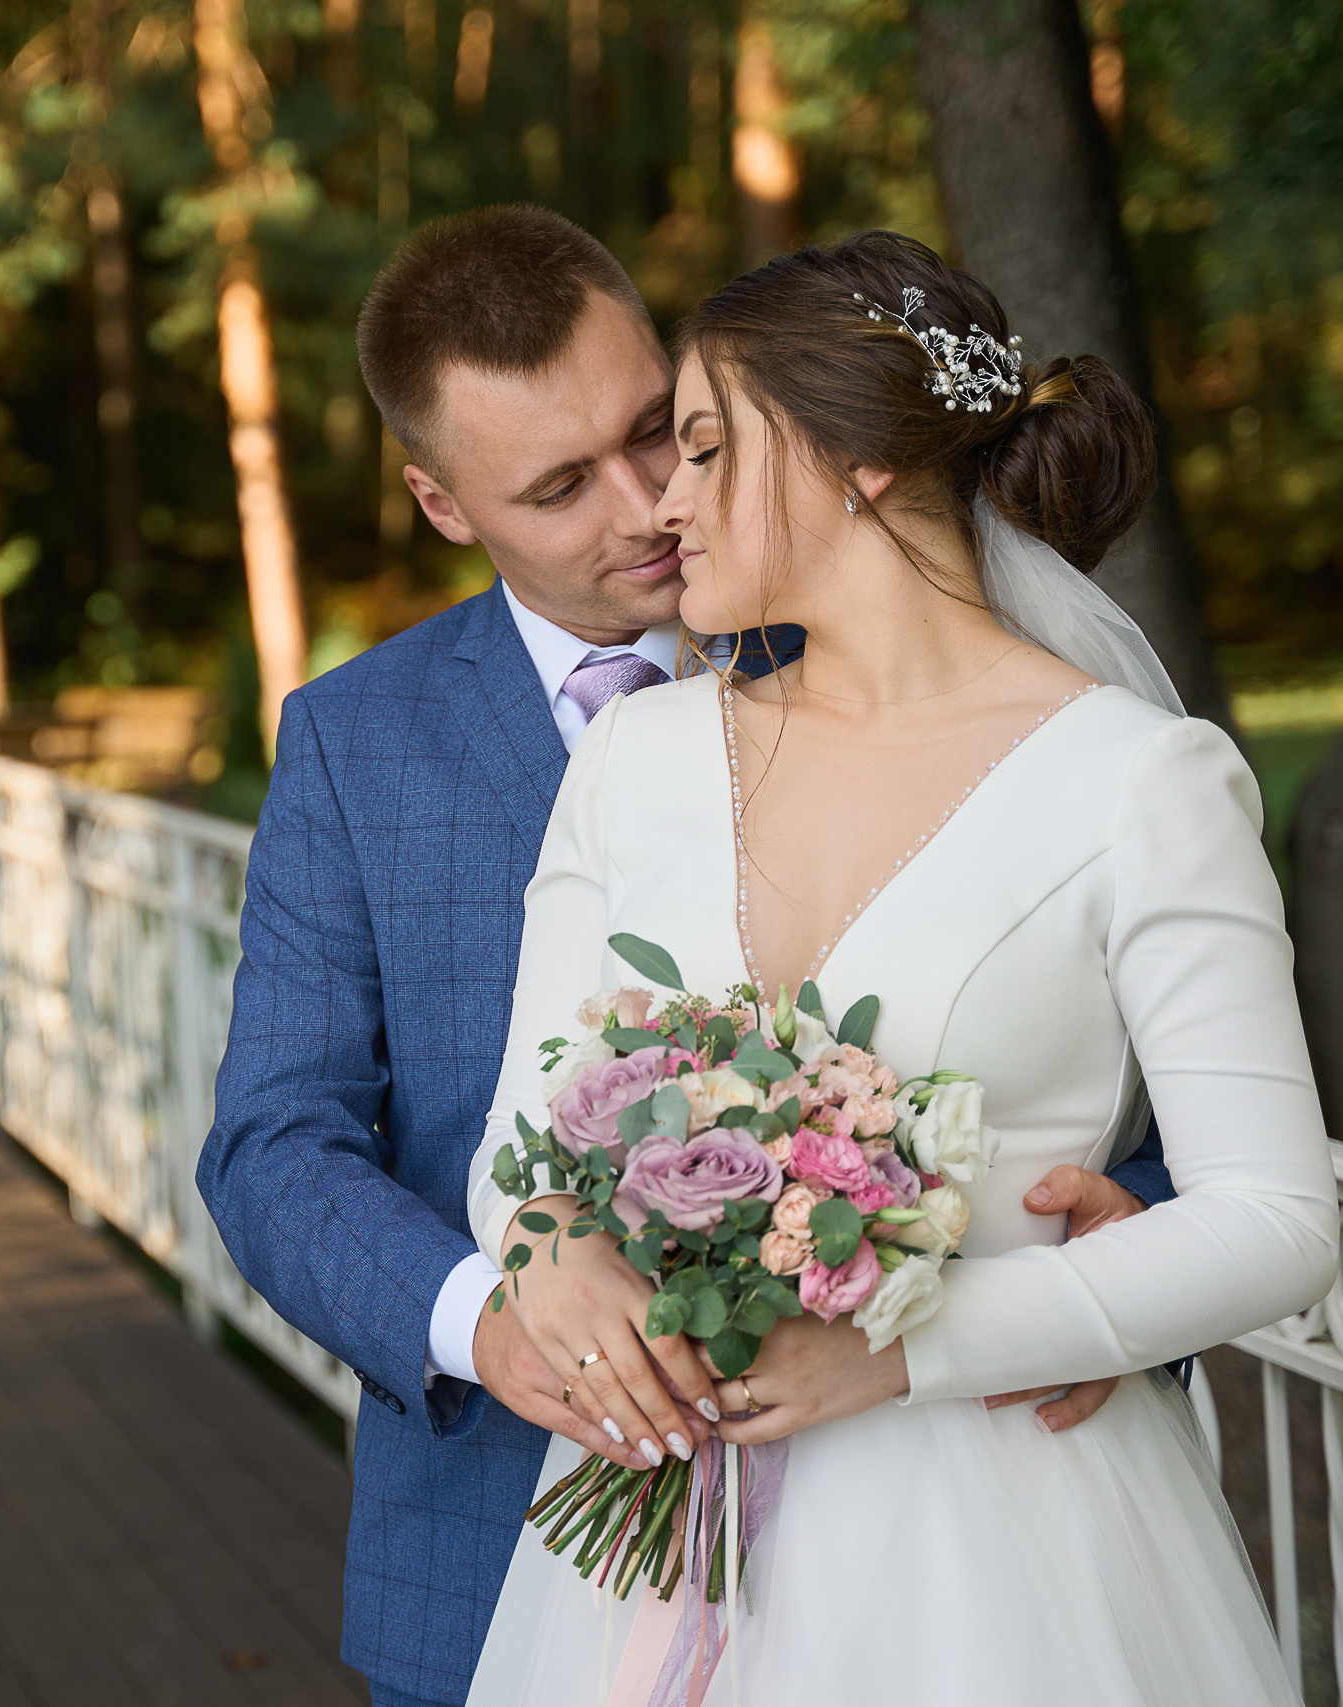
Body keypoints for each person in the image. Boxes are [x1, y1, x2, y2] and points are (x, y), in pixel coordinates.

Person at [196, 205, 1182, 1707]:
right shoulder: (357, 744)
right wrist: (489, 1320)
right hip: (495, 1559)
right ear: (442, 501)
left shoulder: (920, 659)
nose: (650, 502)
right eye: (558, 487)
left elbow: (1157, 1101)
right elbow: (275, 1141)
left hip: (930, 1540)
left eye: (660, 430)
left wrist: (1124, 1261)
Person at [462, 230, 1338, 1703]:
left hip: (998, 1547)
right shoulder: (636, 758)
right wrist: (558, 1256)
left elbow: (1276, 1218)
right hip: (656, 1543)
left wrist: (903, 1351)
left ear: (854, 460)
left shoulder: (1140, 786)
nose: (663, 503)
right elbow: (517, 1149)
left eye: (699, 447)